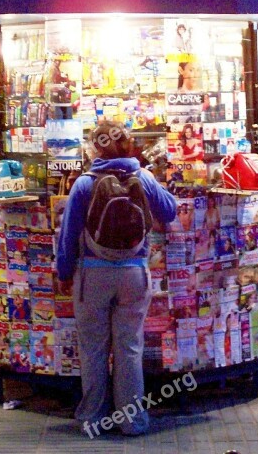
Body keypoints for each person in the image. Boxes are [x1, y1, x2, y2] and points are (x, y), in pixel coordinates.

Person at [56, 121, 177, 436]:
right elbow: (170, 211)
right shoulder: (144, 177)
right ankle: (131, 421)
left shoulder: (84, 184)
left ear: (97, 148)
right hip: (134, 273)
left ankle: (92, 419)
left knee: (93, 347)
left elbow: (68, 235)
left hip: (92, 274)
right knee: (129, 347)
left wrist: (64, 272)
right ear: (129, 144)